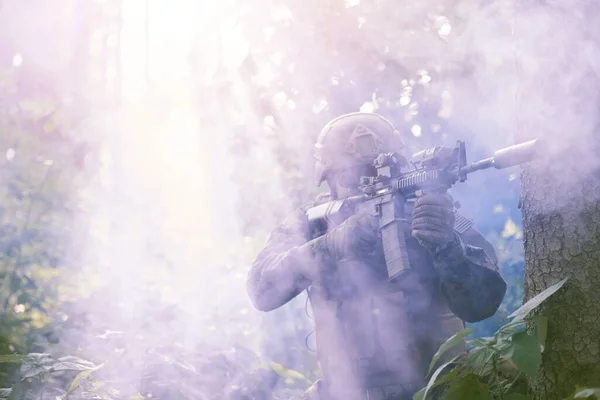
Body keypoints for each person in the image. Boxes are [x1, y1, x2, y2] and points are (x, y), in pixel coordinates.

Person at [246, 112, 507, 400]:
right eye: (352, 177)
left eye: (375, 173)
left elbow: (483, 304)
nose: (364, 187)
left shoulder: (428, 213)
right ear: (330, 180)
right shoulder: (313, 223)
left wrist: (448, 248)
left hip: (439, 390)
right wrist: (328, 245)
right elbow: (262, 290)